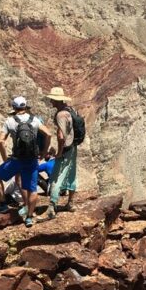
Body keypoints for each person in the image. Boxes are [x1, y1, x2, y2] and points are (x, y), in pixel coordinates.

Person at [0, 96, 52, 227]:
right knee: (32, 189)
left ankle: (3, 204)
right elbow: (48, 134)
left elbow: (0, 141)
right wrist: (44, 151)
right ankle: (29, 217)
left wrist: (5, 159)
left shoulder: (10, 121)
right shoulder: (35, 120)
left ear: (14, 108)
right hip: (32, 160)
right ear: (25, 107)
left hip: (16, 160)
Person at [44, 86, 79, 218]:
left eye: (52, 99)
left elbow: (60, 136)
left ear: (56, 100)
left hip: (65, 149)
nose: (51, 101)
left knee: (56, 177)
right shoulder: (71, 110)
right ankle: (70, 203)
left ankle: (52, 207)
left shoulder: (60, 114)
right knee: (72, 174)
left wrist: (58, 152)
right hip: (73, 147)